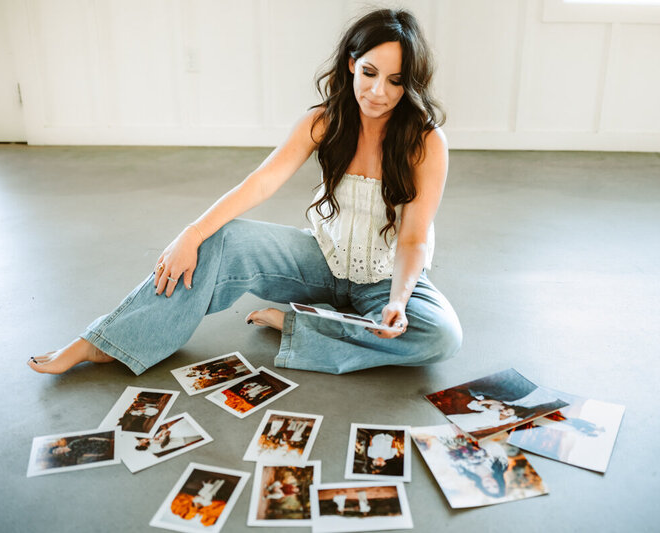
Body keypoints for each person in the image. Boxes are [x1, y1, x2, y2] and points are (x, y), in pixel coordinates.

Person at [28, 8, 462, 376]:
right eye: (369, 73)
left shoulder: (425, 141)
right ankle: (106, 340)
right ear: (352, 63)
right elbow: (262, 182)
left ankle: (300, 327)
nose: (378, 92)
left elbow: (413, 238)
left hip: (386, 279)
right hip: (323, 262)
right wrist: (192, 234)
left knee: (441, 334)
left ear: (410, 84)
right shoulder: (325, 121)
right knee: (223, 238)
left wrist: (399, 303)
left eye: (395, 81)